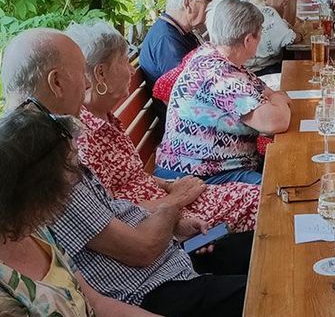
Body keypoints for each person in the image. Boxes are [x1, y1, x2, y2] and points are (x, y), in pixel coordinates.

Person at [0, 29, 250, 317]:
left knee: (269, 255)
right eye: (83, 72)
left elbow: (117, 214)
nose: (87, 83)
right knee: (271, 286)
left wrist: (173, 226)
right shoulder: (47, 162)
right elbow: (140, 249)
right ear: (56, 82)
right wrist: (172, 209)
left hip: (172, 262)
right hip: (151, 289)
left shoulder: (52, 144)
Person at [66, 21, 260, 233]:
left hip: (171, 201)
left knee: (262, 196)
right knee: (261, 201)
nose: (131, 70)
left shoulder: (104, 117)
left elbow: (132, 176)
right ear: (101, 74)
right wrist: (175, 199)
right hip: (162, 221)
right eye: (123, 61)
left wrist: (170, 186)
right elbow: (112, 215)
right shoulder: (83, 136)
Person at [0, 105, 156, 316]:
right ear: (39, 192)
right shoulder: (6, 293)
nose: (76, 183)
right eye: (70, 179)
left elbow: (97, 304)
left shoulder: (38, 230)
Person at [155, 0, 291, 186]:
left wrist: (275, 97)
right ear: (248, 40)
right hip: (197, 175)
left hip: (213, 165)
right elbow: (276, 122)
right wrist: (279, 99)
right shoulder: (220, 76)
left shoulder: (213, 54)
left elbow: (265, 91)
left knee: (288, 172)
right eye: (260, 34)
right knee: (280, 191)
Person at [139, 0, 211, 90]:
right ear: (187, 3)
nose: (209, 6)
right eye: (207, 0)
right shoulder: (166, 40)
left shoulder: (175, 30)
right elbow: (184, 91)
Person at [246, 0, 301, 74]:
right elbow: (295, 37)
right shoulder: (266, 13)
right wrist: (299, 34)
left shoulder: (264, 9)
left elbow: (286, 25)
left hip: (260, 68)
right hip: (261, 71)